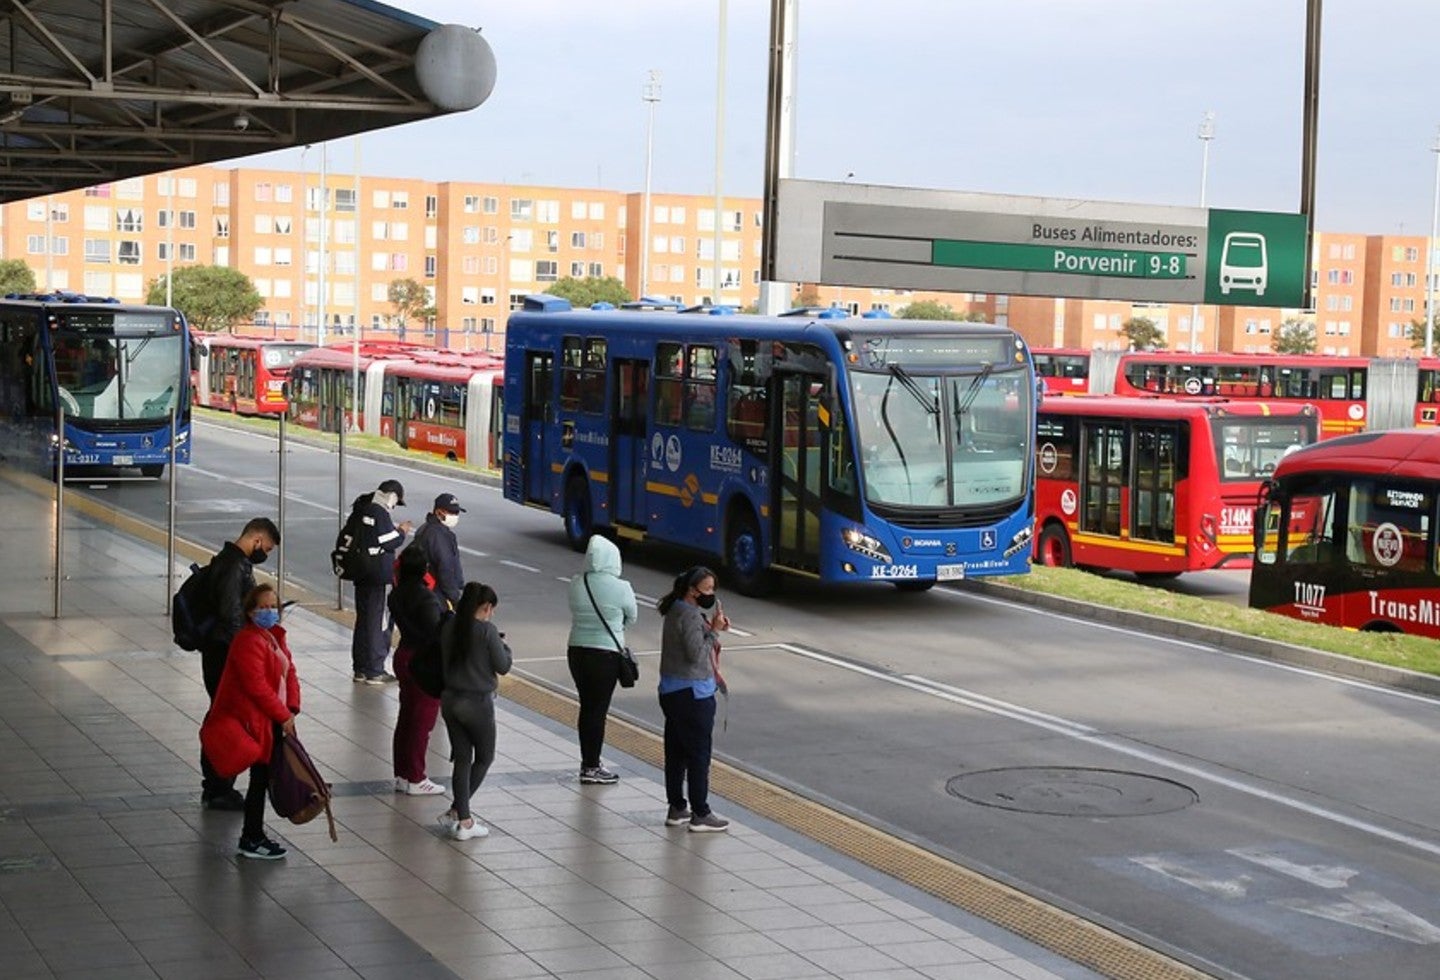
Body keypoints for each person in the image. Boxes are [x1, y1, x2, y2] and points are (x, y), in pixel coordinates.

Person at [204, 583, 301, 859]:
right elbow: (256, 686)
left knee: (262, 779)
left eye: (273, 607)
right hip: (257, 721)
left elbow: (290, 672)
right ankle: (251, 837)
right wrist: (283, 715)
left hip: (271, 719)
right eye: (263, 607)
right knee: (259, 780)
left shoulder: (274, 636)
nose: (269, 612)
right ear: (250, 611)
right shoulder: (248, 641)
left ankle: (254, 834)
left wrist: (291, 707)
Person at [198, 517, 280, 810]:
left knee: (224, 715)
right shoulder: (233, 566)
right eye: (266, 548)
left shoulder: (231, 562)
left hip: (221, 650)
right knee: (226, 719)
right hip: (225, 653)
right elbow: (230, 613)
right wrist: (246, 649)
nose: (265, 553)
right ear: (256, 539)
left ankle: (218, 784)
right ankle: (218, 786)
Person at [656, 566, 731, 833]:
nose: (711, 594)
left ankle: (677, 807)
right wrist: (714, 631)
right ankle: (701, 812)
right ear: (692, 590)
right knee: (699, 755)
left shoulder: (677, 609)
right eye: (707, 589)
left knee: (676, 752)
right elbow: (696, 654)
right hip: (692, 694)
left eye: (713, 589)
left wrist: (711, 627)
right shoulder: (688, 615)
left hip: (672, 690)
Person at [437, 582, 511, 841]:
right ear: (486, 607)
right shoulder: (487, 631)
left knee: (462, 759)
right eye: (492, 609)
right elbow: (503, 666)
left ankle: (459, 814)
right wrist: (504, 647)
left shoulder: (449, 626)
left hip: (450, 700)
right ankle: (463, 818)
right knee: (484, 758)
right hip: (477, 703)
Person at [566, 535, 638, 784]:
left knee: (587, 707)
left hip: (576, 650)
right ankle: (592, 766)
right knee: (597, 711)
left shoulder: (577, 582)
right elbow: (632, 616)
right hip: (605, 654)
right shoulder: (622, 587)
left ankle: (588, 762)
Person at [388, 547, 446, 796]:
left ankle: (402, 774)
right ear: (424, 569)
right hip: (423, 661)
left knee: (406, 718)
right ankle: (416, 777)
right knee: (422, 721)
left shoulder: (396, 594)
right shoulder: (425, 598)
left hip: (403, 655)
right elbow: (434, 633)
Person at [349, 478, 412, 684]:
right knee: (377, 622)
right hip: (377, 575)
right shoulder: (379, 512)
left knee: (363, 620)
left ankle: (360, 668)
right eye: (396, 502)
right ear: (392, 496)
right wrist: (402, 531)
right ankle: (375, 670)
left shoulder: (363, 509)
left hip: (361, 572)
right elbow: (388, 541)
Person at [412, 492, 466, 608]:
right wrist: (455, 597)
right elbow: (445, 568)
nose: (455, 516)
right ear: (438, 512)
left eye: (456, 513)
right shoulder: (437, 535)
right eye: (451, 512)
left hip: (425, 591)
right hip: (437, 595)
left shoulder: (427, 528)